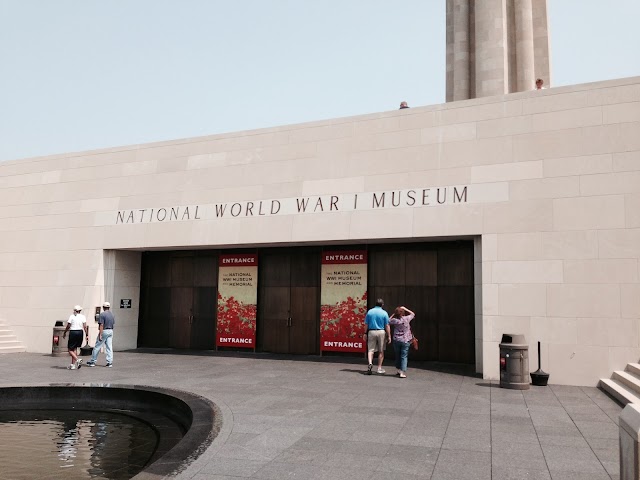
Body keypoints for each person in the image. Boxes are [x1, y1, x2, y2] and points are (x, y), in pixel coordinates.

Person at [363, 298, 391, 375]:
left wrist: (365, 333)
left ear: (375, 304)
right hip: (381, 331)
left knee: (370, 350)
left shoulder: (370, 312)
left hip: (371, 331)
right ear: (382, 304)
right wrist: (389, 336)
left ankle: (370, 363)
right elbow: (387, 325)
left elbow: (366, 324)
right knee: (381, 350)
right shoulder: (384, 313)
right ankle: (379, 368)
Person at [389, 306, 416, 378]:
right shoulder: (406, 318)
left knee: (397, 354)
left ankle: (398, 369)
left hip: (397, 339)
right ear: (403, 313)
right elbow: (413, 314)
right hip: (406, 340)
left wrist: (394, 314)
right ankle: (402, 372)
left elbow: (388, 320)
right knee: (404, 356)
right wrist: (405, 308)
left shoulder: (395, 320)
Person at [86, 302, 115, 367]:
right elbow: (113, 323)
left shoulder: (102, 314)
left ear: (103, 307)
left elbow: (101, 325)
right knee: (109, 347)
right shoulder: (112, 314)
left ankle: (93, 361)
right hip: (110, 330)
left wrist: (100, 334)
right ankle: (109, 362)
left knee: (97, 346)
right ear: (109, 307)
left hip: (104, 330)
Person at [62, 305, 88, 370]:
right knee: (75, 348)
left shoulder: (72, 316)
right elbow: (85, 326)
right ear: (80, 310)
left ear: (74, 310)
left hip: (73, 332)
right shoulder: (83, 316)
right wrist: (87, 334)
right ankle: (73, 365)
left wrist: (65, 332)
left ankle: (77, 360)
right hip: (80, 332)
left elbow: (68, 325)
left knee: (70, 349)